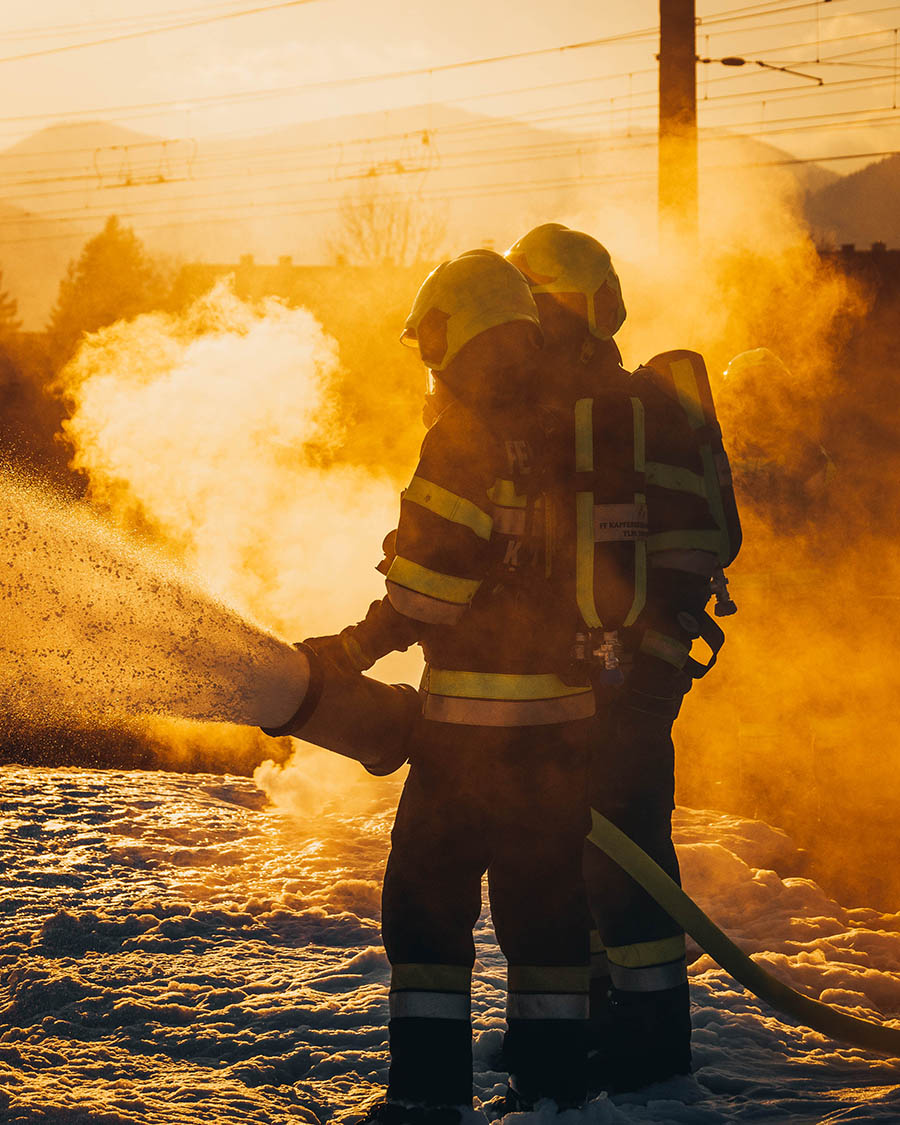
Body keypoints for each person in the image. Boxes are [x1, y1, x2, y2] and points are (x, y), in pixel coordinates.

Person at [307, 249, 597, 1122]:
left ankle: (427, 1100)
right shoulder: (568, 422)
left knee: (428, 915)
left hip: (471, 735)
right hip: (566, 729)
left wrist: (351, 648)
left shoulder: (465, 430)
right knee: (545, 917)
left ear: (459, 327)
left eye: (433, 336)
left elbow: (431, 586)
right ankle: (554, 1094)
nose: (430, 358)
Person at [505, 224, 727, 1092]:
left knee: (628, 857)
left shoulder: (649, 411)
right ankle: (579, 1032)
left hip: (627, 675)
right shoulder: (526, 415)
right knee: (555, 859)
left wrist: (653, 667)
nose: (532, 330)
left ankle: (650, 1043)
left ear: (584, 312)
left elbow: (692, 544)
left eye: (542, 309)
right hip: (544, 681)